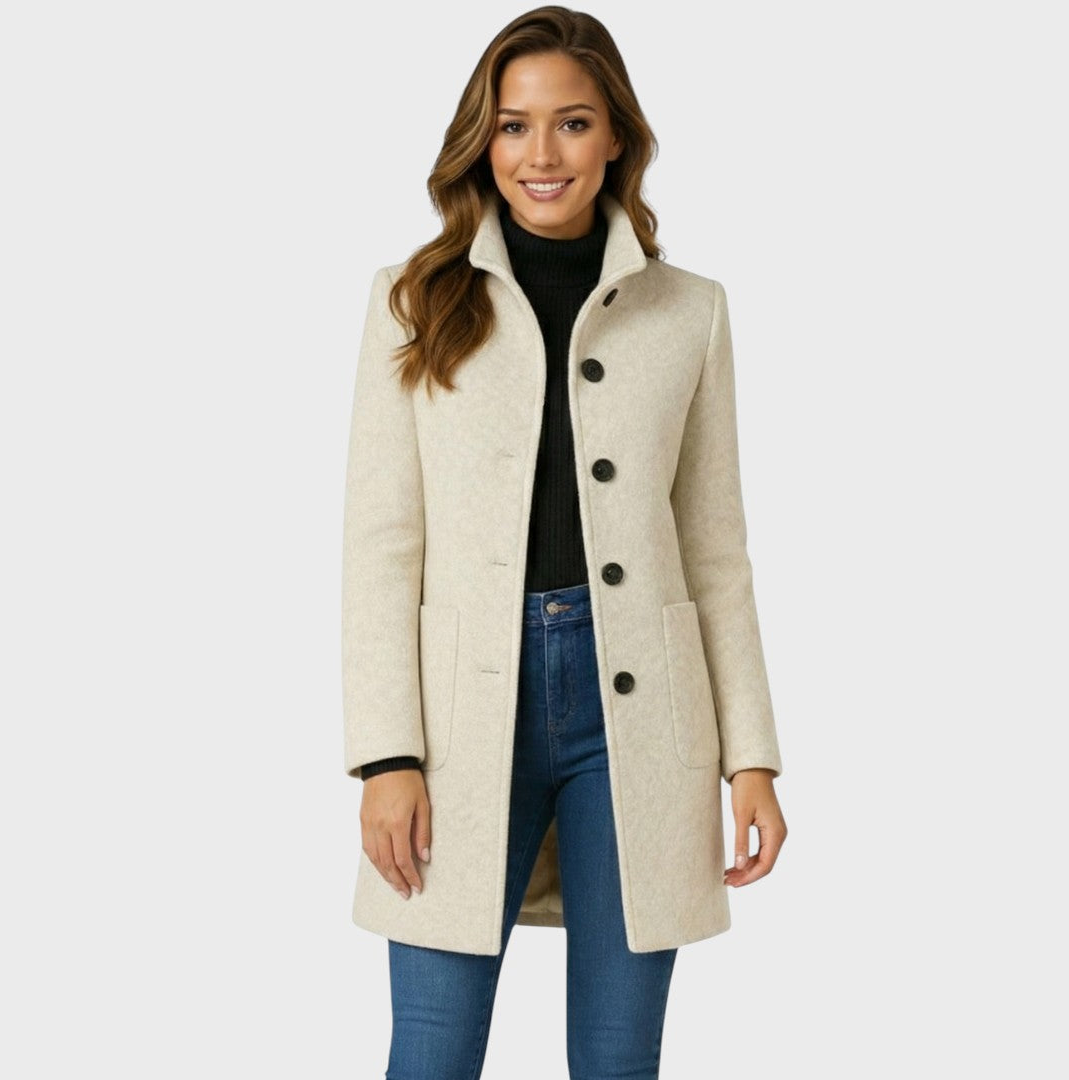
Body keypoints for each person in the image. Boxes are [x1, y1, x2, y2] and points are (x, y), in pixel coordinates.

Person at [341, 6, 788, 1077]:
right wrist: (387, 755)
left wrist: (752, 757)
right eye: (513, 126)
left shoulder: (690, 312)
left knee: (618, 1059)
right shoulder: (412, 300)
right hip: (460, 715)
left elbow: (715, 549)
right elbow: (380, 543)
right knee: (432, 1050)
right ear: (482, 141)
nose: (541, 154)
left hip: (641, 711)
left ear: (616, 136)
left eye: (572, 123)